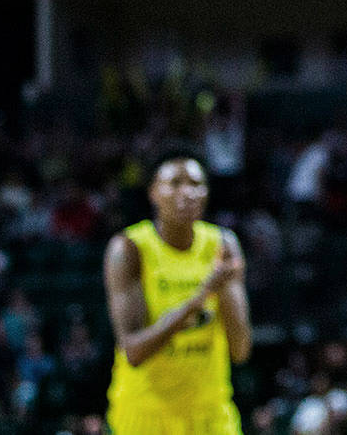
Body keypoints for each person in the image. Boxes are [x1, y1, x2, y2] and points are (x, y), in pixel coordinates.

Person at [104, 154, 252, 434]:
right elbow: (133, 351)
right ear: (153, 192)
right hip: (145, 417)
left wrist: (224, 291)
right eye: (175, 183)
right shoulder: (129, 249)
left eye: (196, 184)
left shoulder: (223, 244)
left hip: (210, 417)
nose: (187, 192)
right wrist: (198, 300)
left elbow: (241, 349)